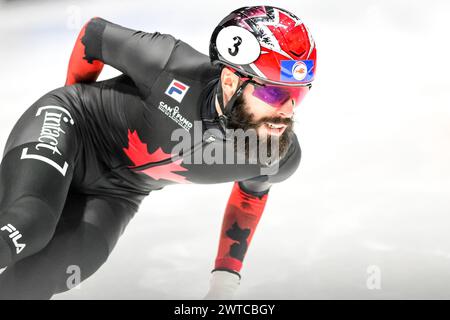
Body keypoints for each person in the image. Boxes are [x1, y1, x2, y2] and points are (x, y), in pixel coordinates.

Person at [0, 5, 316, 299]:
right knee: (29, 225)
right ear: (231, 81)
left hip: (118, 194)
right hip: (73, 128)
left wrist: (224, 283)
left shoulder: (276, 155)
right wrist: (71, 112)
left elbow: (249, 198)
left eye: (298, 95)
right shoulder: (169, 63)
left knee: (48, 273)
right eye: (275, 92)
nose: (287, 110)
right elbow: (94, 35)